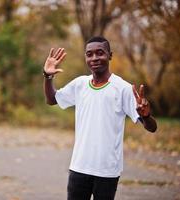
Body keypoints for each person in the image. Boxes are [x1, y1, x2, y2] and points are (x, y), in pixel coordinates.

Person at [42, 36, 157, 200]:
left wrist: (146, 116)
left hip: (107, 170)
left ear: (110, 55)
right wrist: (47, 76)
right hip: (79, 166)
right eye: (89, 54)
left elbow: (151, 127)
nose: (94, 58)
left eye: (100, 53)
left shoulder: (123, 88)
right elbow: (52, 99)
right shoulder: (80, 84)